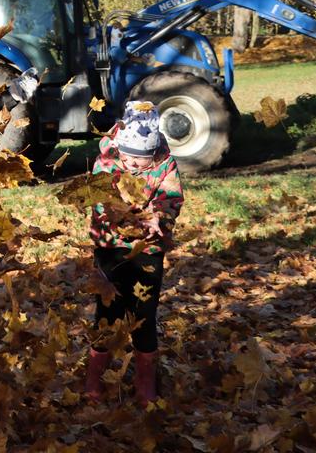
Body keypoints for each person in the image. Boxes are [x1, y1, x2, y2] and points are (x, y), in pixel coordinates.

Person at [83, 101, 185, 405]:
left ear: (153, 153)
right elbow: (101, 204)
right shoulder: (106, 162)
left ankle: (145, 378)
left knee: (144, 313)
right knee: (108, 312)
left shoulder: (165, 163)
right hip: (110, 247)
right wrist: (134, 217)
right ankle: (93, 376)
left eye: (141, 159)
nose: (133, 165)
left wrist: (160, 218)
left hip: (149, 249)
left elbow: (170, 197)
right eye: (128, 157)